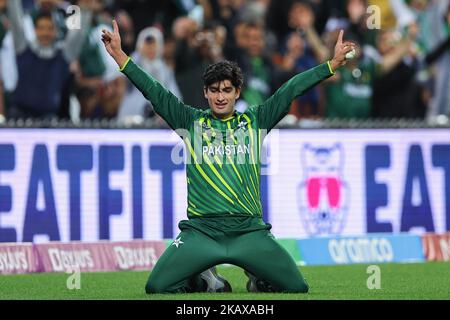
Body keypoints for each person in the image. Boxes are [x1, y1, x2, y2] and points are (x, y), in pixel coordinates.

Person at [101, 20, 354, 294]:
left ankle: (257, 276)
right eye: (214, 90)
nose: (220, 97)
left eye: (226, 90)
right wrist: (120, 57)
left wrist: (330, 65)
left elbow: (291, 88)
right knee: (157, 286)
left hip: (249, 231)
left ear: (237, 92)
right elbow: (154, 90)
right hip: (201, 232)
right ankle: (206, 278)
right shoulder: (190, 120)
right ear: (205, 93)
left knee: (297, 287)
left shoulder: (256, 120)